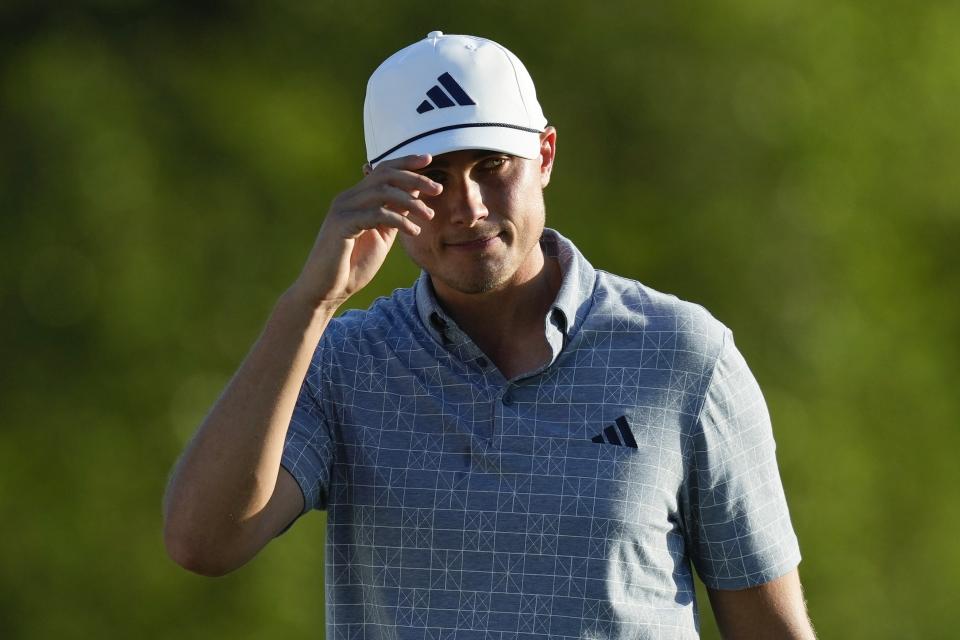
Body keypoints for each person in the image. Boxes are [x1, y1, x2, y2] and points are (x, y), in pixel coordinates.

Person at [163, 31, 816, 639]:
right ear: (379, 192)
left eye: (493, 164)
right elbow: (205, 542)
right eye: (431, 178)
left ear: (545, 156)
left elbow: (769, 628)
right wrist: (309, 303)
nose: (467, 207)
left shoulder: (681, 354)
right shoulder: (345, 363)